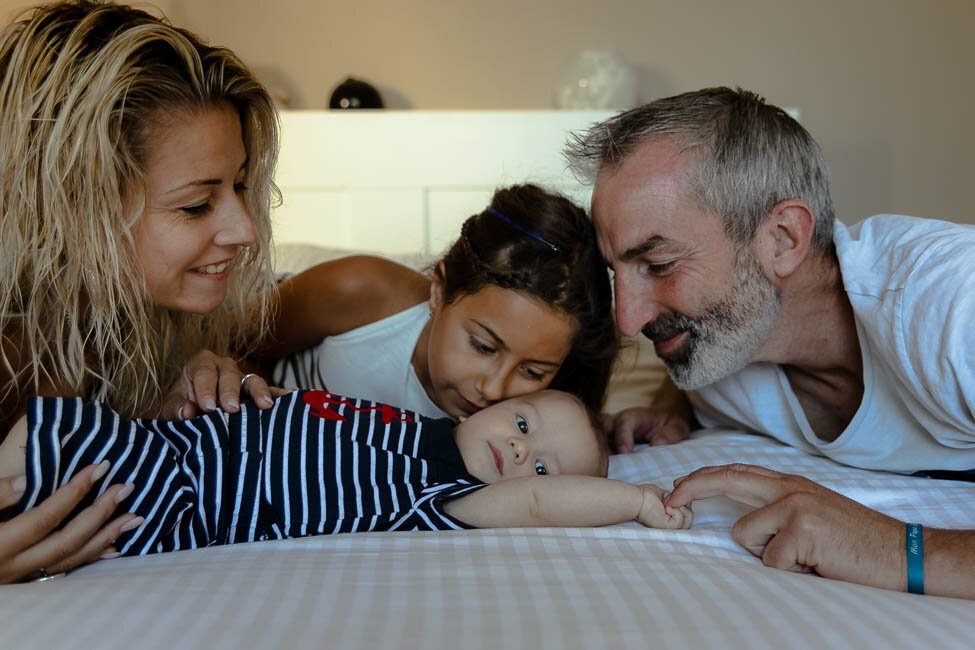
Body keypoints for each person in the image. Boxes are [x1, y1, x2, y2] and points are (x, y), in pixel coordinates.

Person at [564, 86, 975, 598]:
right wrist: (670, 406)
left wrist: (890, 548)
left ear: (782, 238)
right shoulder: (721, 360)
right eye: (615, 273)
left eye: (659, 264)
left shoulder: (950, 303)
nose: (628, 320)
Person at [0, 1, 284, 582]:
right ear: (73, 209)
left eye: (239, 187)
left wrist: (205, 380)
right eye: (197, 204)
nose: (245, 231)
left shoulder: (143, 330)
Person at [0, 389, 692, 558]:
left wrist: (633, 501)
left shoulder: (443, 498)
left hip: (184, 498)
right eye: (521, 425)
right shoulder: (404, 418)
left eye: (539, 461)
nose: (520, 454)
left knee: (57, 438)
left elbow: (541, 503)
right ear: (494, 403)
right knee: (57, 420)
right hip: (175, 441)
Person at [260, 183, 619, 420]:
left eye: (533, 372)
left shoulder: (550, 413)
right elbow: (232, 344)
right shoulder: (359, 290)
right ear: (439, 291)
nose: (493, 390)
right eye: (482, 346)